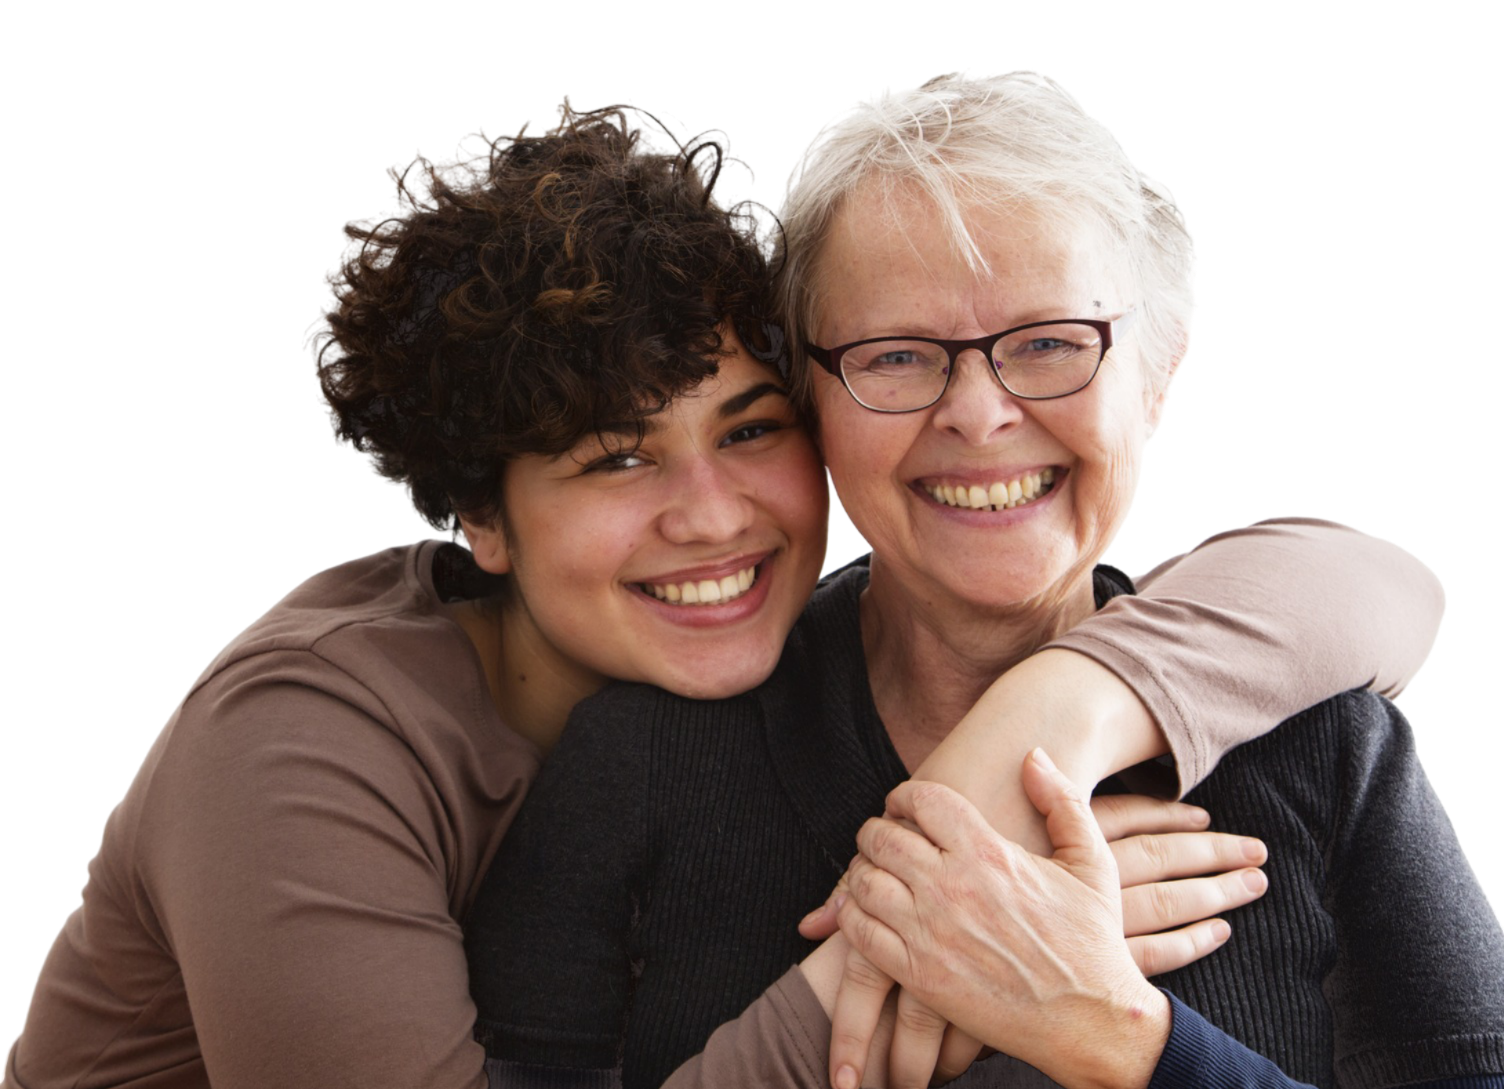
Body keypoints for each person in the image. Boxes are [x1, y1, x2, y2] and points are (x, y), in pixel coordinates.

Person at [0, 99, 1450, 1090]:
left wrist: (1038, 744)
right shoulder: (309, 746)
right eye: (616, 456)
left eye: (750, 427)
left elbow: (1374, 585)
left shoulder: (1310, 742)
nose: (716, 513)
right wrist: (932, 945)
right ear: (479, 520)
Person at [464, 74, 1499, 1089]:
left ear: (1158, 372)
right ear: (810, 395)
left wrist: (1116, 1036)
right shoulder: (639, 758)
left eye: (1050, 342)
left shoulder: (1326, 749)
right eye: (897, 356)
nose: (977, 413)